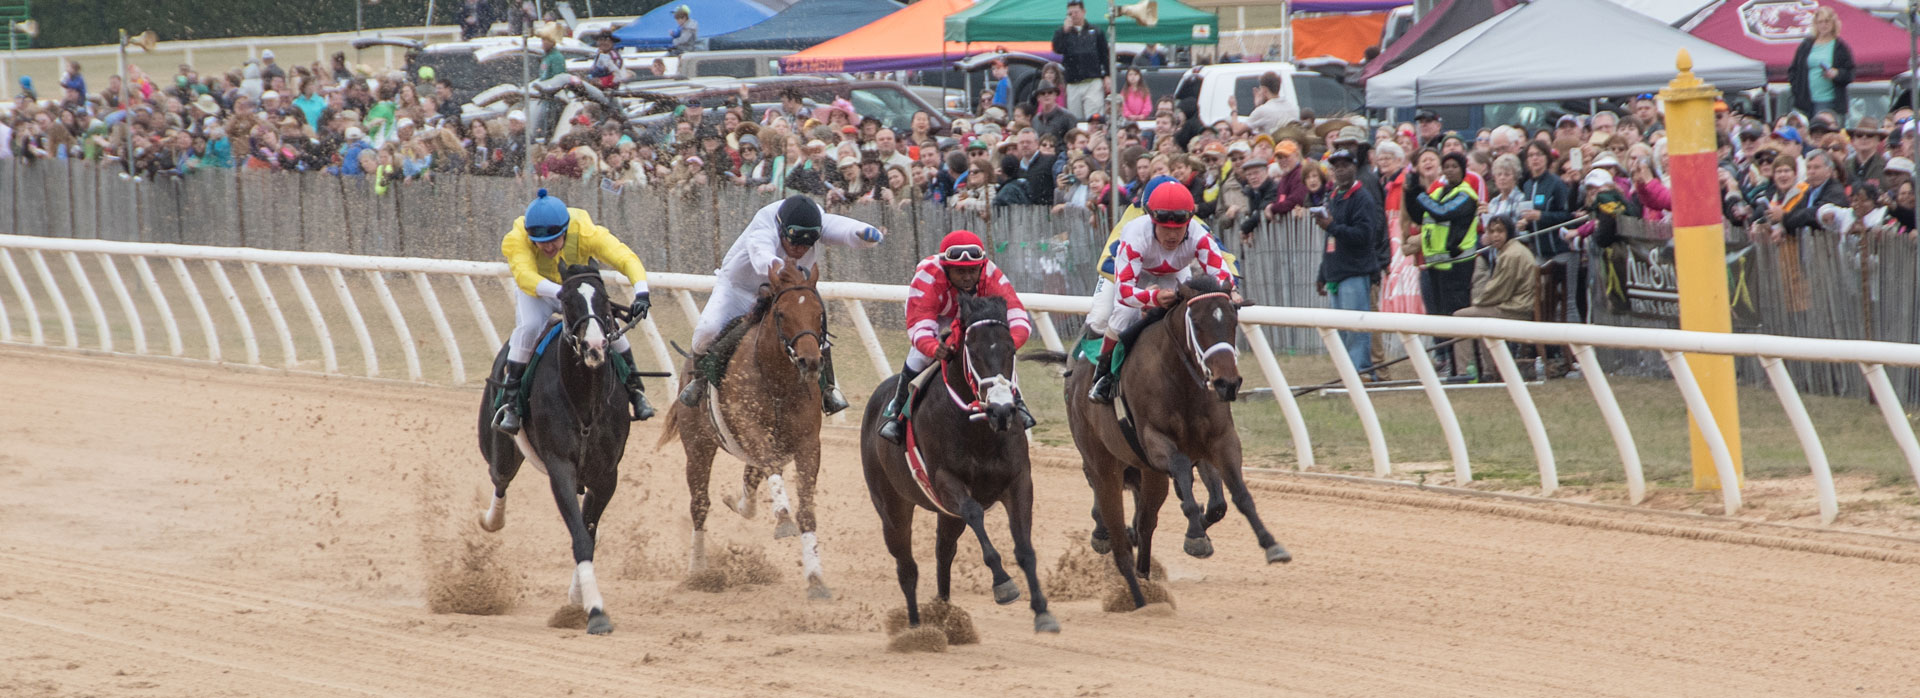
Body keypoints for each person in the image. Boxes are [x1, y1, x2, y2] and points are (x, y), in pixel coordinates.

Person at [677, 195, 885, 414]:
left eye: (807, 245)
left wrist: (867, 233)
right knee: (706, 330)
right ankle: (699, 381)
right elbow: (760, 252)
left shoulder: (816, 219)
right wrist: (778, 266)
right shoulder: (764, 222)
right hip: (738, 290)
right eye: (793, 242)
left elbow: (844, 229)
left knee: (815, 333)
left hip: (787, 289)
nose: (799, 249)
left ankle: (827, 390)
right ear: (782, 230)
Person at [494, 189, 656, 435]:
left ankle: (636, 391)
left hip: (578, 293)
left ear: (566, 231)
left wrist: (641, 292)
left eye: (554, 239)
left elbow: (625, 258)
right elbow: (524, 276)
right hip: (539, 292)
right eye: (541, 242)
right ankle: (512, 402)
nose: (547, 247)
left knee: (611, 330)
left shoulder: (585, 231)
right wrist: (561, 292)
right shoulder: (517, 238)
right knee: (528, 328)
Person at [876, 230, 1036, 444]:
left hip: (974, 316)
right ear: (946, 268)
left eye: (972, 270)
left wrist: (1010, 343)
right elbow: (919, 322)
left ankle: (1017, 402)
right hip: (939, 315)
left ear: (981, 266)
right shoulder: (928, 275)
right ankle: (898, 414)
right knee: (919, 357)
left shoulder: (991, 274)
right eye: (960, 272)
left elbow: (1017, 315)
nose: (968, 277)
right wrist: (933, 348)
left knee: (996, 353)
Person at [1086, 182, 1237, 404]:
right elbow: (1124, 293)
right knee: (1124, 316)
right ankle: (1104, 376)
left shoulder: (1199, 234)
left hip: (1173, 274)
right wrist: (1152, 298)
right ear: (1152, 221)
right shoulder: (1136, 235)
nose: (1172, 235)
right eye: (1165, 228)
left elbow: (1224, 277)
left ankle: (1208, 372)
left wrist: (1221, 293)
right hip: (1135, 275)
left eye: (1179, 228)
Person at [1314, 149, 1385, 375]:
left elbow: (1364, 236)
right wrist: (1322, 273)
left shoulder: (1362, 198)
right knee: (1342, 330)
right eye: (1336, 166)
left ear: (1355, 168)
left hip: (1355, 271)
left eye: (1345, 165)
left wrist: (1332, 226)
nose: (1341, 170)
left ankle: (1361, 372)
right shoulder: (1335, 196)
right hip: (1337, 271)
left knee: (1356, 327)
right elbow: (1330, 240)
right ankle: (1348, 372)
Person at [1790, 6, 1853, 121]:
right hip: (1804, 101)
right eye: (1820, 22)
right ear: (1816, 24)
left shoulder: (1840, 46)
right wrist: (1797, 90)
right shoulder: (1806, 45)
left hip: (1828, 100)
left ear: (1833, 23)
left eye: (1827, 21)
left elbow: (1850, 72)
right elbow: (1793, 70)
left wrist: (1836, 74)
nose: (1824, 25)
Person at [1053, 0, 1109, 121]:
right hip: (1073, 83)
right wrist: (1064, 32)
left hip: (1092, 80)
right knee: (1075, 118)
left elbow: (1104, 55)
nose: (1073, 15)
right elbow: (1057, 49)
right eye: (1070, 13)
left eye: (1076, 12)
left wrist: (1107, 75)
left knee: (1094, 117)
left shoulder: (1096, 32)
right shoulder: (1063, 32)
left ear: (1083, 12)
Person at [1243, 71, 1299, 136]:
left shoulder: (1263, 110)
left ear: (1264, 90)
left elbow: (1237, 130)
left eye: (1260, 89)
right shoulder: (1294, 108)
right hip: (1290, 145)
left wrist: (1233, 108)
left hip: (1271, 145)